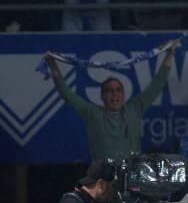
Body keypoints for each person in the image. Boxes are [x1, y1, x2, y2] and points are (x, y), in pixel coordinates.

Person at [44, 41, 178, 160]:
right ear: (102, 96)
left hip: (131, 178)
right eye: (110, 90)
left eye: (119, 90)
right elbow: (66, 93)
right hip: (103, 179)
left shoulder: (134, 109)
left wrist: (170, 54)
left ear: (124, 95)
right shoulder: (93, 114)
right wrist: (52, 64)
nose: (115, 94)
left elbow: (157, 84)